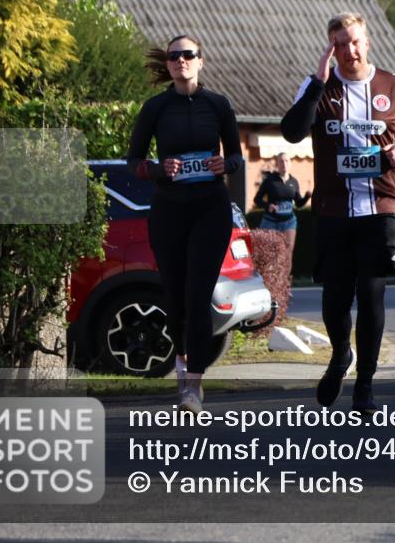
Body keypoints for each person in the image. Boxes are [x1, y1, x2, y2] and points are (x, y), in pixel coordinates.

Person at [281, 12, 395, 414]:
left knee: (371, 293)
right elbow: (292, 132)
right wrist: (316, 81)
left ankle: (365, 384)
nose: (349, 50)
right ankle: (339, 355)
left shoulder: (393, 86)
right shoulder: (319, 87)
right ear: (331, 47)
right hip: (332, 210)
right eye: (340, 43)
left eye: (355, 41)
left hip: (380, 207)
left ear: (368, 42)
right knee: (335, 299)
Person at [126, 35, 243, 413]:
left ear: (200, 61)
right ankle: (180, 361)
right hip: (169, 211)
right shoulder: (156, 108)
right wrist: (160, 169)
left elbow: (238, 158)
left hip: (210, 208)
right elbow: (134, 162)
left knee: (197, 297)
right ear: (170, 65)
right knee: (175, 301)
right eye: (175, 56)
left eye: (187, 55)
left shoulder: (218, 105)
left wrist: (226, 165)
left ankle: (193, 385)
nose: (181, 61)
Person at [254, 152, 311, 259]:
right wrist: (268, 206)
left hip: (288, 222)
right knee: (268, 255)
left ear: (290, 164)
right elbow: (257, 199)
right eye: (281, 161)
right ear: (277, 164)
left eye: (286, 161)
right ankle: (270, 276)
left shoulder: (294, 182)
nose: (284, 164)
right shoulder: (270, 180)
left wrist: (307, 197)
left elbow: (298, 203)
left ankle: (285, 276)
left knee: (287, 255)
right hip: (270, 222)